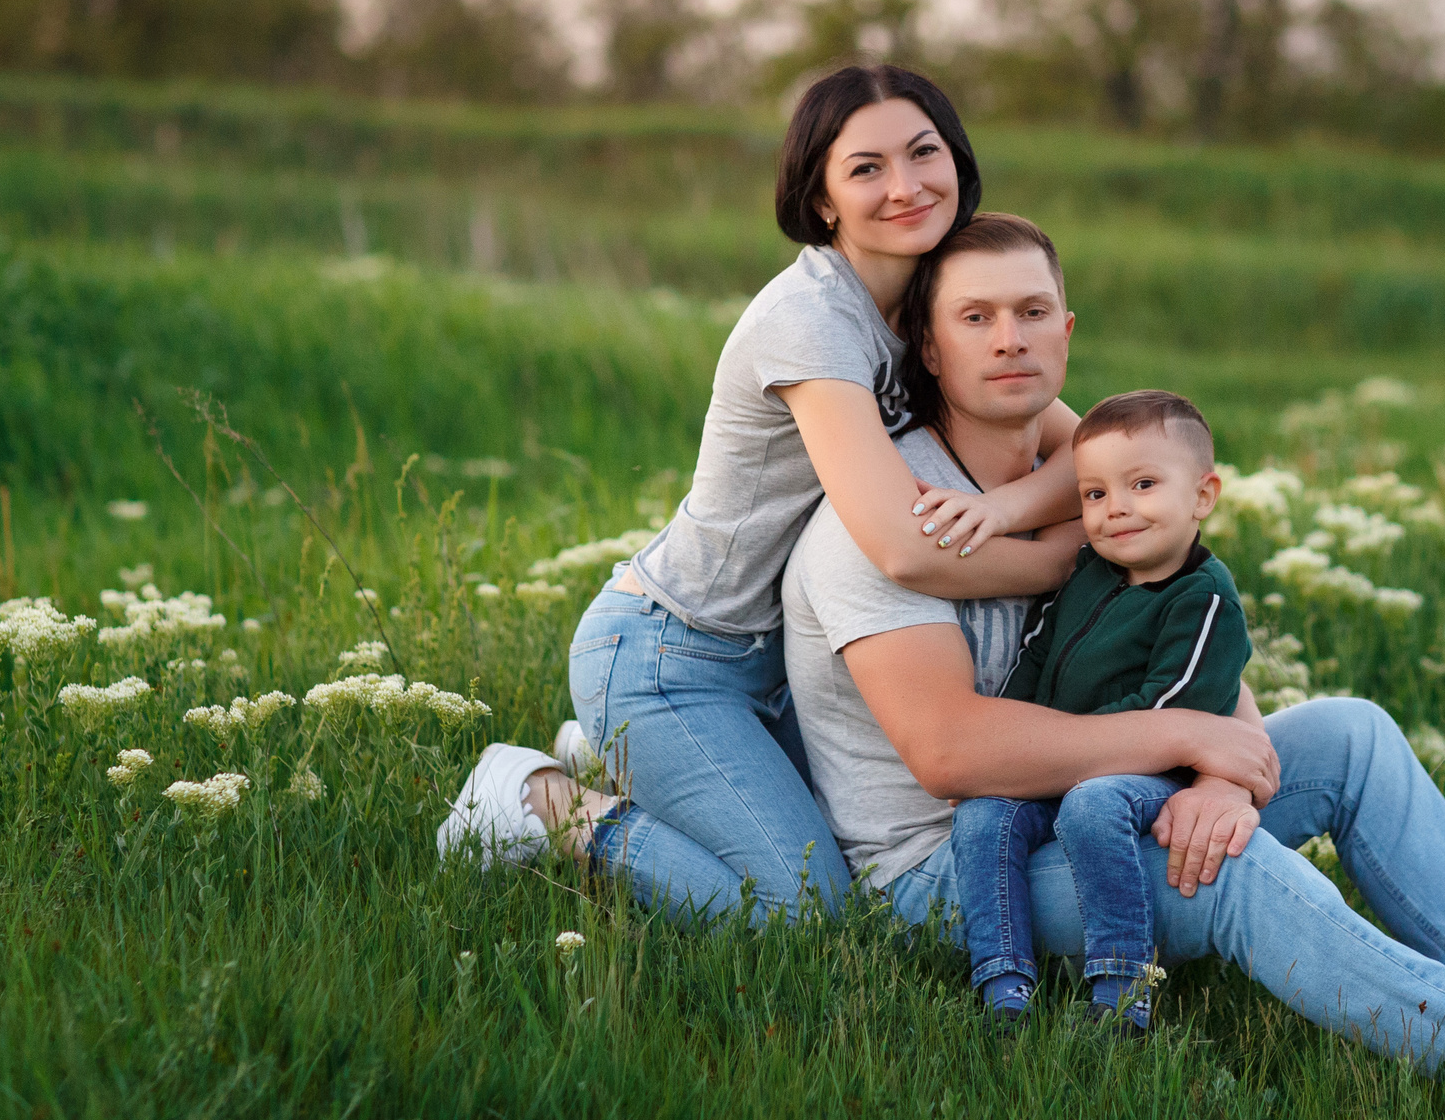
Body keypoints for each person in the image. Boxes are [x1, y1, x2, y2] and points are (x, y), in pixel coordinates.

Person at [780, 211, 1445, 1106]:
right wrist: (1183, 746)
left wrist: (1218, 775)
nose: (1009, 338)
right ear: (930, 347)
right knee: (1232, 872)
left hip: (1094, 802)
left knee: (1351, 736)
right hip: (951, 864)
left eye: (1032, 311)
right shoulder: (881, 521)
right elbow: (948, 754)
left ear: (1066, 333)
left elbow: (1192, 644)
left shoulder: (1098, 490)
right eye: (976, 316)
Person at [439, 64, 1106, 919]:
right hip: (674, 657)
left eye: (923, 153)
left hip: (788, 663)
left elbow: (1087, 454)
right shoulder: (813, 319)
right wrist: (1058, 557)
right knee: (802, 911)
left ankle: (632, 763)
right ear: (823, 198)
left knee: (824, 866)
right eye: (866, 168)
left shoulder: (936, 301)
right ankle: (546, 802)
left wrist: (1009, 509)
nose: (904, 186)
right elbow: (900, 549)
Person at [951, 389, 1251, 1034]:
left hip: (1150, 776)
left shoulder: (1203, 598)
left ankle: (1122, 986)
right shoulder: (1088, 571)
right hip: (1067, 762)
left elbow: (1171, 711)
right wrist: (1009, 740)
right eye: (1093, 494)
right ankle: (1003, 980)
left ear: (1202, 495)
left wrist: (1064, 751)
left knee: (1094, 804)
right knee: (983, 815)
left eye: (1142, 484)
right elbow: (1033, 658)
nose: (1116, 509)